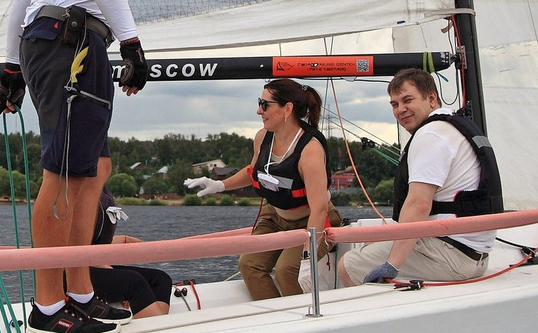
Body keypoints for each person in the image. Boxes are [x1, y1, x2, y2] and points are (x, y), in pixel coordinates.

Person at [0, 0, 150, 333]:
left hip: (59, 37)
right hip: (71, 40)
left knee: (91, 169)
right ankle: (47, 307)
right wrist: (131, 40)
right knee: (63, 172)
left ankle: (79, 293)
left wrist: (12, 65)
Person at [337, 69, 504, 286]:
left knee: (349, 265)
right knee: (373, 245)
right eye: (394, 104)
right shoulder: (454, 126)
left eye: (408, 100)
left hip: (451, 255)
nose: (400, 109)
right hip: (474, 254)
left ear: (431, 99)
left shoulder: (430, 135)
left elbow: (419, 204)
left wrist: (392, 265)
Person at [186, 79, 336, 299]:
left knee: (287, 270)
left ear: (287, 109)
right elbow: (253, 171)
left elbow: (319, 209)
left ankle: (302, 315)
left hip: (311, 221)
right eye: (260, 103)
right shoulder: (262, 137)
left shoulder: (310, 150)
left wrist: (308, 256)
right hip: (274, 217)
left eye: (265, 104)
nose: (259, 111)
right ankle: (275, 315)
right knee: (249, 264)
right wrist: (220, 185)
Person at [85, 158, 175, 320]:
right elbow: (71, 245)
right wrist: (105, 266)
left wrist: (125, 240)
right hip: (73, 274)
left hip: (93, 262)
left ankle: (158, 321)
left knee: (161, 279)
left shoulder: (99, 190)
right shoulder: (76, 192)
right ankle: (157, 326)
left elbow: (94, 241)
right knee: (134, 282)